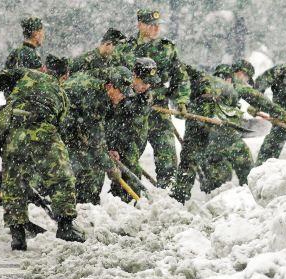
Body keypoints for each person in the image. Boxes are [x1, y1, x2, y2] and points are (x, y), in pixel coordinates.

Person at [0, 66, 85, 250]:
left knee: (14, 182)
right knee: (61, 177)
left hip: (14, 130)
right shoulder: (60, 92)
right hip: (44, 128)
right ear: (62, 77)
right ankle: (66, 226)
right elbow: (61, 125)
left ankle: (17, 234)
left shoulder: (21, 74)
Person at [171, 63, 286, 203]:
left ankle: (177, 200)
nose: (246, 83)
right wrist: (284, 115)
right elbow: (259, 99)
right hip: (219, 127)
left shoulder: (204, 80)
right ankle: (251, 198)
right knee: (244, 160)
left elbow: (181, 93)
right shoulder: (233, 83)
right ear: (239, 75)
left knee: (189, 163)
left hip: (195, 124)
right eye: (247, 79)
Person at [116, 9, 190, 189]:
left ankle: (168, 197)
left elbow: (180, 77)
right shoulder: (125, 48)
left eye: (158, 25)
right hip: (131, 113)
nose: (156, 28)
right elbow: (115, 77)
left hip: (159, 110)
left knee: (167, 158)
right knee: (128, 158)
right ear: (139, 25)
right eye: (151, 25)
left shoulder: (167, 48)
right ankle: (124, 197)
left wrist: (181, 100)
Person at [61, 64, 137, 204]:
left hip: (71, 124)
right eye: (121, 92)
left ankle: (84, 201)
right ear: (109, 86)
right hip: (59, 126)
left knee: (90, 159)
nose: (123, 96)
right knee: (84, 164)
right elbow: (95, 139)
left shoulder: (100, 90)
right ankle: (82, 203)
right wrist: (110, 167)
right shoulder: (93, 97)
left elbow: (97, 132)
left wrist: (107, 149)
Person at [106, 58, 159, 201]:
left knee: (129, 173)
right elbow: (111, 121)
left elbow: (133, 124)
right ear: (134, 75)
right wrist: (110, 146)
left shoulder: (144, 96)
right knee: (127, 175)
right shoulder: (119, 88)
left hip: (132, 141)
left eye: (149, 83)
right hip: (114, 139)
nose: (146, 86)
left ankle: (123, 202)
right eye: (143, 82)